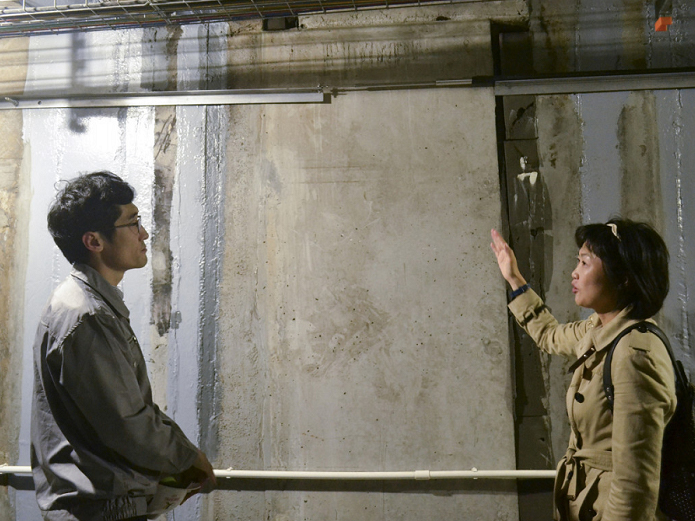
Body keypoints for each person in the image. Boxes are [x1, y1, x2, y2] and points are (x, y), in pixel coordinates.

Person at [31, 171, 216, 521]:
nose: (143, 233)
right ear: (94, 241)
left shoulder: (83, 304)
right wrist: (188, 458)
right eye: (132, 223)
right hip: (103, 509)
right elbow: (126, 423)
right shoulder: (87, 315)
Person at [490, 219, 677, 521]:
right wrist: (515, 279)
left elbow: (634, 484)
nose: (574, 272)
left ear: (623, 277)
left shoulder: (634, 354)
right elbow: (550, 335)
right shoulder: (600, 329)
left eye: (585, 263)